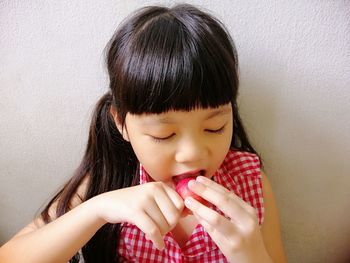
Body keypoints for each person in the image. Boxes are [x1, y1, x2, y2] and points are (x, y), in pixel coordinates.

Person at [0, 4, 287, 263]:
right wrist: (97, 210)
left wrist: (253, 257)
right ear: (121, 123)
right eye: (163, 134)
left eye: (215, 127)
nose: (193, 152)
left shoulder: (249, 184)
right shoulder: (107, 181)